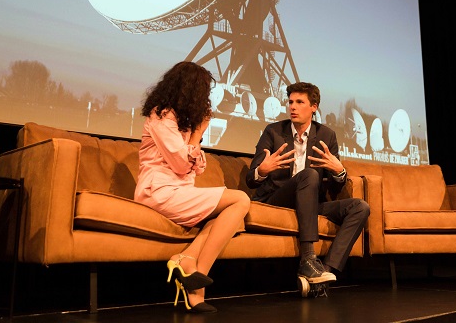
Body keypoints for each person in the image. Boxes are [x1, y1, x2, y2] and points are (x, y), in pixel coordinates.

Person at [135, 61, 250, 313]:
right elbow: (181, 164)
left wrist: (194, 136)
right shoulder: (161, 117)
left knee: (228, 216)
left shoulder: (180, 122)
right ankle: (200, 273)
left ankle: (188, 269)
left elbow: (196, 168)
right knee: (240, 200)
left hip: (178, 189)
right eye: (203, 92)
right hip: (159, 190)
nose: (206, 99)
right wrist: (198, 134)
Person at [246, 82, 370, 287]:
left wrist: (339, 172)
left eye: (299, 102)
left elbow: (335, 189)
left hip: (310, 203)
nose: (292, 107)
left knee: (360, 207)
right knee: (309, 175)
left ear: (314, 107)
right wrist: (263, 170)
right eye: (290, 102)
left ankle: (323, 274)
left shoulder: (326, 135)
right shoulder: (273, 131)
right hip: (278, 199)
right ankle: (308, 258)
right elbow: (250, 180)